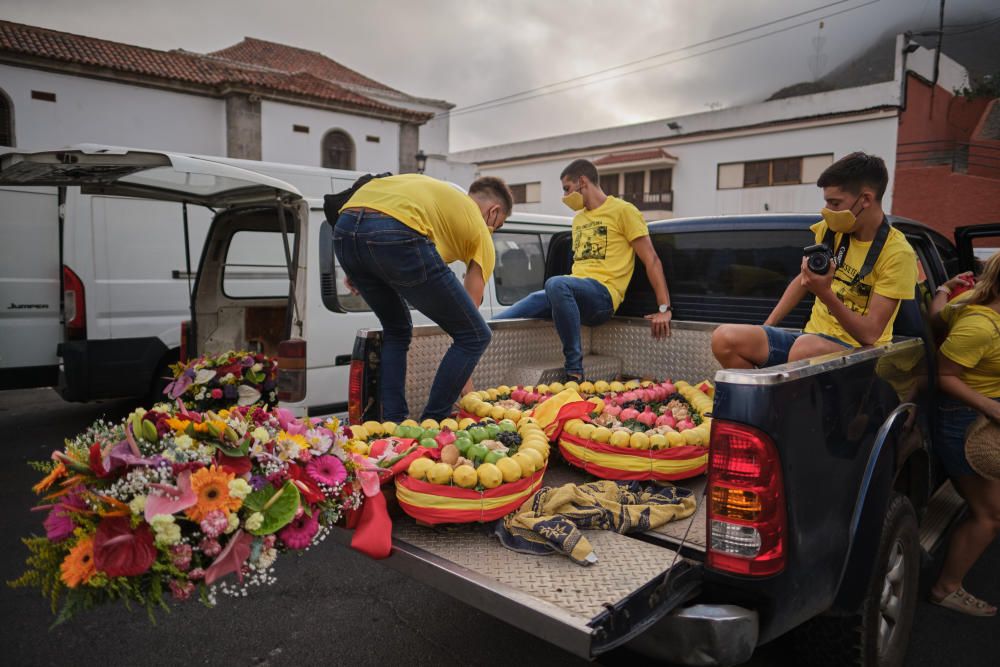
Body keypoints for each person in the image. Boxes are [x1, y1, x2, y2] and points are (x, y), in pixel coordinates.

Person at [711, 152, 917, 368]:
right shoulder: (831, 230)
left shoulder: (897, 254)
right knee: (724, 338)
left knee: (805, 350)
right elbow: (803, 280)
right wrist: (766, 328)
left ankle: (777, 401)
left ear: (866, 199)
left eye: (835, 203)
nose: (827, 211)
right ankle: (759, 399)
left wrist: (825, 293)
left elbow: (870, 334)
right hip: (808, 341)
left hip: (860, 353)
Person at [334, 174, 511, 421]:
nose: (494, 230)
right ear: (494, 211)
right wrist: (469, 396)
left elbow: (371, 222)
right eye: (499, 224)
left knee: (397, 328)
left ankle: (394, 424)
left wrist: (360, 266)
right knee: (476, 335)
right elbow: (469, 324)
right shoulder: (480, 231)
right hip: (396, 228)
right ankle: (433, 422)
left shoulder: (438, 199)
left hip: (344, 228)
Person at [496, 159, 673, 381]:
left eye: (567, 189)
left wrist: (664, 307)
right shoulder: (578, 219)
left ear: (582, 182)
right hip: (573, 291)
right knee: (508, 314)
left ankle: (574, 371)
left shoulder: (623, 211)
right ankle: (479, 335)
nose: (565, 197)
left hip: (603, 297)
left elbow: (652, 260)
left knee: (555, 284)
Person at [927, 256, 999, 616]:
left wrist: (943, 289)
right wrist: (991, 407)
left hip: (978, 410)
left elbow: (938, 314)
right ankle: (946, 587)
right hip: (966, 421)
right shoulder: (981, 325)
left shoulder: (966, 302)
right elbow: (943, 376)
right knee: (990, 513)